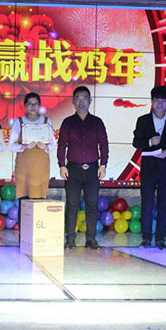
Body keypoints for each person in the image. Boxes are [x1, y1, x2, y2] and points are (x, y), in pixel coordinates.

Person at [132, 85, 166, 249]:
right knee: (147, 204)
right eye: (156, 100)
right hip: (148, 169)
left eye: (163, 100)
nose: (160, 104)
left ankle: (160, 239)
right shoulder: (143, 120)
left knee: (163, 205)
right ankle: (146, 238)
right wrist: (150, 142)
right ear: (151, 101)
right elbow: (136, 142)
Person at [57, 86, 109, 250]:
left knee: (92, 205)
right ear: (73, 101)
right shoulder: (68, 122)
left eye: (84, 98)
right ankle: (70, 239)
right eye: (78, 98)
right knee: (72, 205)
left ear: (90, 100)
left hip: (93, 170)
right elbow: (62, 145)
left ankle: (91, 239)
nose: (81, 102)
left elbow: (104, 144)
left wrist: (103, 164)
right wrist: (62, 165)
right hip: (73, 170)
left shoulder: (97, 122)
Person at [9, 93, 56, 220]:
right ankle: (24, 229)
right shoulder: (19, 122)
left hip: (41, 168)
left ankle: (38, 228)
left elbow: (53, 145)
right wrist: (24, 146)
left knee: (39, 200)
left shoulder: (46, 122)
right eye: (30, 104)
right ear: (25, 106)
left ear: (39, 105)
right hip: (24, 168)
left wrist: (45, 146)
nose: (33, 107)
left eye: (35, 104)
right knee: (24, 201)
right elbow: (11, 146)